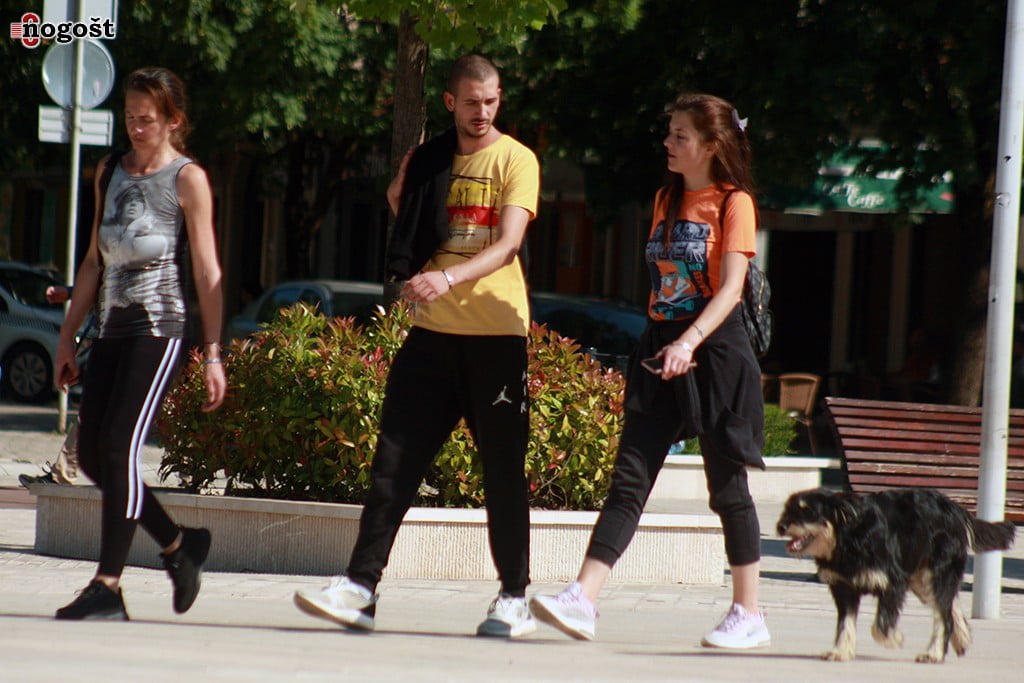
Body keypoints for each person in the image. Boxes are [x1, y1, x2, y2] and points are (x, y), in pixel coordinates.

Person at [293, 54, 540, 637]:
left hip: (495, 338)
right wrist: (398, 200)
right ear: (450, 102)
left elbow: (507, 243)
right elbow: (425, 228)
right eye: (472, 102)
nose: (483, 112)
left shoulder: (516, 159)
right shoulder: (431, 160)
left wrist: (448, 278)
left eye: (492, 101)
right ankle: (360, 587)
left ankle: (514, 598)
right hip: (432, 336)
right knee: (393, 465)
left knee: (502, 473)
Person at [529, 93, 770, 649]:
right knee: (630, 477)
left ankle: (749, 613)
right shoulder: (665, 198)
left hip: (714, 350)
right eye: (669, 132)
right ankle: (583, 597)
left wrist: (689, 340)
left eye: (680, 135)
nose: (668, 142)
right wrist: (667, 339)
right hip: (662, 346)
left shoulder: (734, 203)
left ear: (711, 145)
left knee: (727, 487)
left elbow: (731, 290)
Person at [52, 67, 227, 621]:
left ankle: (108, 585)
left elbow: (207, 270)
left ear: (173, 120)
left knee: (120, 447)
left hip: (160, 328)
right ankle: (179, 544)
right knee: (93, 457)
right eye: (129, 117)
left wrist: (214, 354)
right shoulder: (109, 171)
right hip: (111, 328)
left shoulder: (187, 178)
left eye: (147, 119)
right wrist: (66, 338)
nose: (136, 127)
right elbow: (92, 262)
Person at [19, 286, 82, 487]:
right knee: (94, 412)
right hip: (116, 340)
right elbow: (102, 279)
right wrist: (71, 292)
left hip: (144, 341)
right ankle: (61, 475)